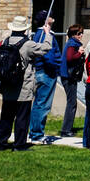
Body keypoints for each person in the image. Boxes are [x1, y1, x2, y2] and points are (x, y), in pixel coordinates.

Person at [0, 14, 52, 152]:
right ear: (24, 30)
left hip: (7, 85)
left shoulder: (6, 41)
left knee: (6, 117)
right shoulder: (28, 44)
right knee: (22, 117)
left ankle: (2, 143)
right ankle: (19, 145)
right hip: (23, 86)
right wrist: (47, 33)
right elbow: (45, 48)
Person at [28, 9, 64, 143]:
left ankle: (35, 133)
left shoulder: (39, 34)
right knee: (42, 105)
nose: (53, 17)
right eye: (50, 16)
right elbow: (48, 55)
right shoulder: (44, 34)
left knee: (39, 104)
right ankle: (36, 134)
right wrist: (55, 69)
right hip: (46, 73)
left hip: (41, 72)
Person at [59, 24, 85, 138]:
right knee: (72, 103)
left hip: (68, 76)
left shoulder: (71, 43)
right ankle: (66, 130)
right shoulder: (72, 44)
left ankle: (67, 128)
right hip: (68, 77)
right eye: (79, 34)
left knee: (71, 102)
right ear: (74, 35)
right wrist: (79, 53)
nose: (81, 35)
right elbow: (70, 58)